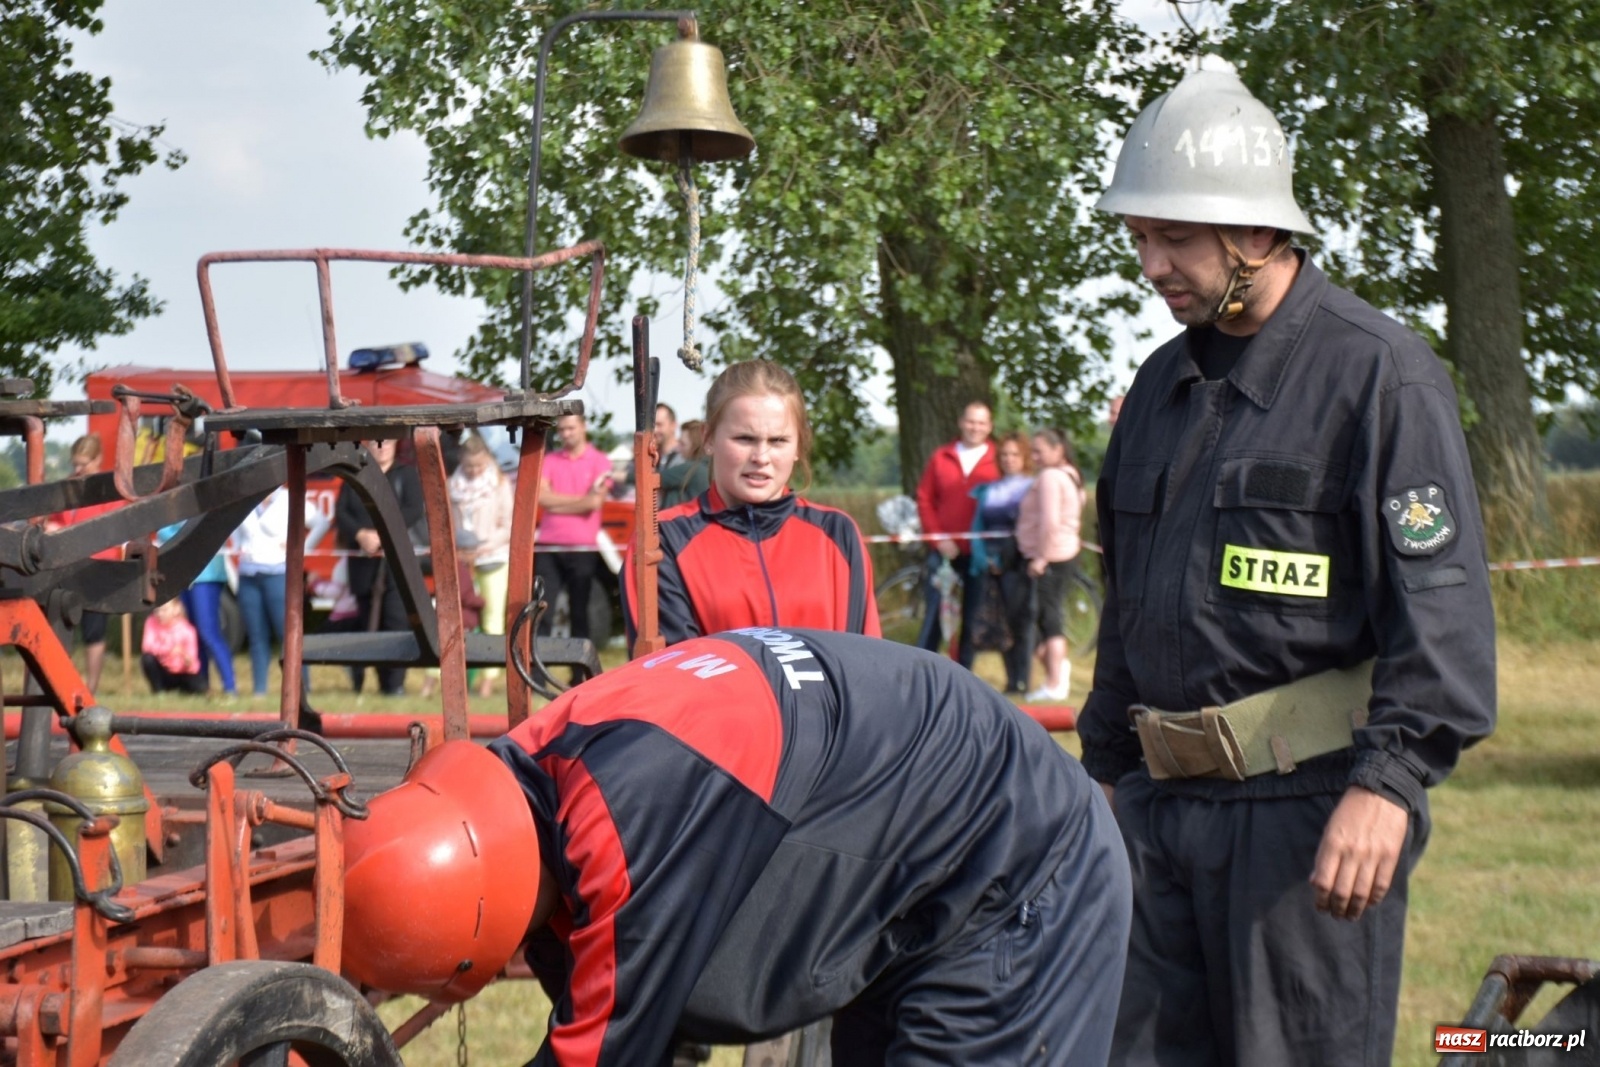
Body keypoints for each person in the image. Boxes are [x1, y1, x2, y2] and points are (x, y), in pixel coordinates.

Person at [1079, 57, 1496, 1066]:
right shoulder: (1158, 385)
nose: (1150, 265)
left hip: (1304, 816)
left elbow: (1439, 620)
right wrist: (1102, 782)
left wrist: (1387, 783)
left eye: (1172, 236)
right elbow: (1127, 606)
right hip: (1153, 815)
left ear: (1256, 232)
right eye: (1140, 237)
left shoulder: (1378, 374)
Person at [342, 628, 1131, 1066]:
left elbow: (602, 1054)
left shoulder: (623, 817)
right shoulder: (530, 767)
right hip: (919, 869)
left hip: (1021, 872)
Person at [622, 360, 880, 646]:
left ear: (799, 445)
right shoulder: (663, 539)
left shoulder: (836, 533)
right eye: (744, 438)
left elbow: (866, 663)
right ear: (708, 438)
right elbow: (673, 673)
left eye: (778, 440)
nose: (761, 456)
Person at [334, 437, 426, 696]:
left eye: (386, 442)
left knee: (396, 621)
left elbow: (413, 510)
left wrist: (384, 534)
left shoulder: (406, 475)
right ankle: (368, 681)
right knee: (366, 622)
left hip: (397, 562)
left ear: (395, 444)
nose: (381, 446)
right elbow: (342, 513)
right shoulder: (355, 475)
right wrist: (361, 534)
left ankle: (394, 684)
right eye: (375, 442)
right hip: (363, 564)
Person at [914, 401, 1000, 668]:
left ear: (989, 426)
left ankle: (965, 671)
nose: (975, 427)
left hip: (978, 553)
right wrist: (939, 539)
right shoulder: (942, 457)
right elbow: (925, 498)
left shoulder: (998, 460)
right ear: (961, 422)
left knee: (973, 615)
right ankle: (920, 665)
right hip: (944, 552)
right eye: (971, 421)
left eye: (981, 422)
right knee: (936, 612)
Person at [44, 434, 124, 693]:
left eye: (83, 464)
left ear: (97, 460)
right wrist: (52, 527)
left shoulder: (107, 489)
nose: (78, 470)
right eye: (75, 464)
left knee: (94, 629)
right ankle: (61, 683)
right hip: (68, 565)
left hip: (97, 565)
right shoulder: (66, 487)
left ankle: (91, 688)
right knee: (61, 624)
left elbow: (113, 528)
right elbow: (55, 519)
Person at [1015, 429, 1086, 703]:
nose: (1033, 457)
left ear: (1058, 450)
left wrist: (1041, 558)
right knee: (1049, 614)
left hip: (1051, 557)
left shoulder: (1050, 477)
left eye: (1039, 451)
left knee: (1048, 618)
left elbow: (1049, 521)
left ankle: (1055, 681)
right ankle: (1058, 672)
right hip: (1066, 551)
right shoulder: (1071, 474)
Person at [534, 413, 612, 646]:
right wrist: (581, 501)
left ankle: (580, 675)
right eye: (562, 429)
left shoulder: (599, 460)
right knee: (542, 612)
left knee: (581, 613)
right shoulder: (550, 460)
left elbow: (595, 503)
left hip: (582, 546)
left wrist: (556, 501)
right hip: (549, 544)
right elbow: (540, 497)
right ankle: (537, 673)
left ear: (583, 427)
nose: (566, 434)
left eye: (571, 428)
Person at [967, 431, 1036, 694]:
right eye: (1004, 454)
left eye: (1014, 454)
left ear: (1024, 457)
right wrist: (984, 558)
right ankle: (1011, 681)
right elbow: (977, 527)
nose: (1009, 459)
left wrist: (1006, 559)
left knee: (1021, 622)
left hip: (1017, 563)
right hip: (990, 564)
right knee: (1001, 622)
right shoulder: (990, 490)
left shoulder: (1031, 487)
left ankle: (1024, 679)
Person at [448, 433, 514, 698]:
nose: (474, 471)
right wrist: (460, 549)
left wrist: (485, 545)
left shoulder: (499, 484)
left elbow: (508, 523)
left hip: (493, 555)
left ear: (487, 459)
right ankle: (454, 678)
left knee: (493, 618)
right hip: (461, 558)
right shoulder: (452, 484)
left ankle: (488, 680)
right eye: (469, 466)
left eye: (478, 466)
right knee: (457, 617)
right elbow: (449, 521)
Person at [157, 522, 238, 698]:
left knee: (209, 632)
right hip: (186, 575)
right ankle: (203, 687)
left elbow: (195, 533)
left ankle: (230, 687)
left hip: (206, 575)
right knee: (194, 633)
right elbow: (165, 533)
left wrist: (175, 533)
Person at [234, 487, 294, 697]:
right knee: (257, 636)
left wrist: (298, 548)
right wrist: (239, 548)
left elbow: (321, 522)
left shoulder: (289, 497)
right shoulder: (246, 497)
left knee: (287, 635)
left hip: (277, 573)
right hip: (248, 574)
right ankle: (259, 690)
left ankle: (301, 689)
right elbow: (234, 529)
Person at [139, 598, 205, 694]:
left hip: (183, 672)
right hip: (164, 670)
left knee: (200, 687)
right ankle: (158, 690)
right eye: (157, 610)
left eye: (164, 610)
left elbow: (193, 662)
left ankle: (186, 690)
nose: (160, 614)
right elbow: (147, 646)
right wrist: (169, 650)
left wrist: (186, 659)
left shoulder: (188, 630)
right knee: (147, 659)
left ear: (176, 609)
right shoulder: (151, 622)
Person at [659, 418, 710, 510]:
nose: (678, 448)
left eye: (683, 444)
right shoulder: (709, 467)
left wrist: (625, 475)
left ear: (695, 445)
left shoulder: (693, 468)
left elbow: (654, 479)